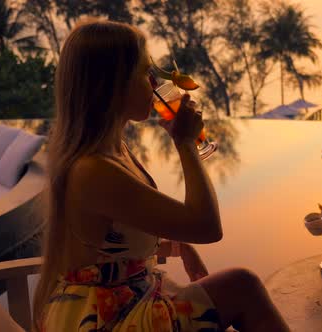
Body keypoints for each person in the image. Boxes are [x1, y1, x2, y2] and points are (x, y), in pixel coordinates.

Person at [32, 19, 289, 332]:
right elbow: (207, 226)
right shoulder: (92, 170)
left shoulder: (114, 151)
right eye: (144, 72)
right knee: (242, 286)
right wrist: (186, 145)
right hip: (103, 318)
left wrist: (179, 247)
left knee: (236, 288)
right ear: (114, 84)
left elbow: (113, 249)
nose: (154, 84)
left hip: (120, 298)